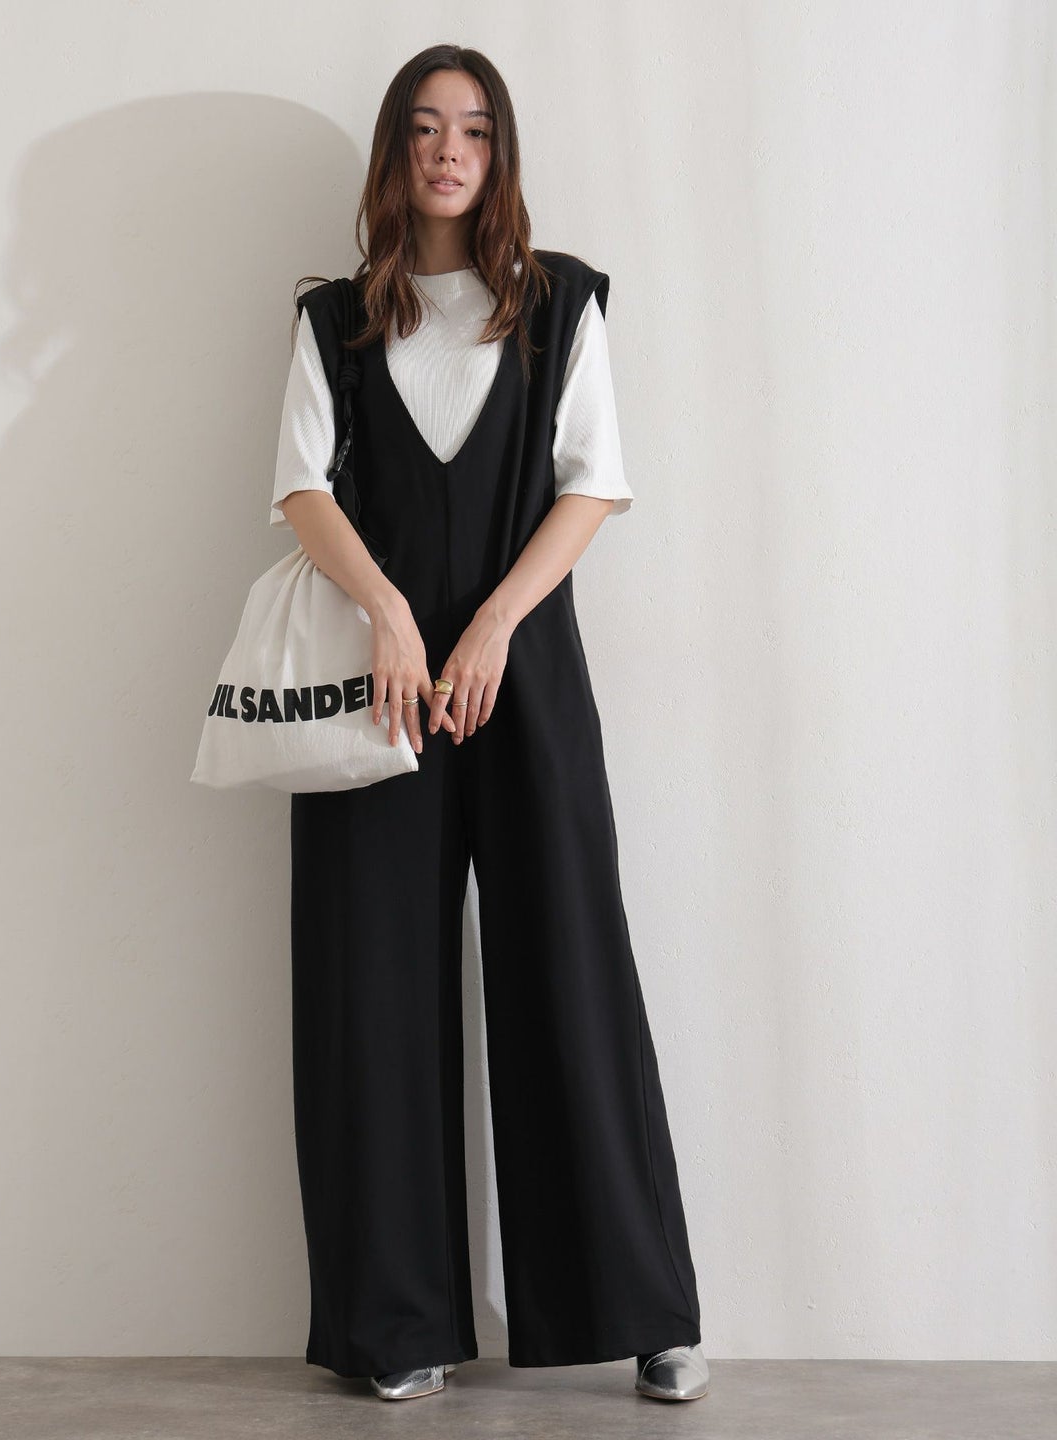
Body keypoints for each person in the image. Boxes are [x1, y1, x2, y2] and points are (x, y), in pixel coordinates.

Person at [268, 43, 711, 1406]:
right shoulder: (336, 318)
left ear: (499, 152)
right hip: (378, 694)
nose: (448, 151)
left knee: (571, 977)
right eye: (424, 128)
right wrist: (395, 619)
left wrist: (494, 625)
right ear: (395, 154)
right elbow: (300, 488)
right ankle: (393, 1322)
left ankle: (643, 1311)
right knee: (372, 995)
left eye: (472, 129)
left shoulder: (558, 303)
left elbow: (593, 483)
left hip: (527, 683)